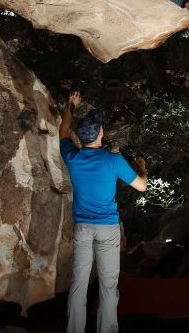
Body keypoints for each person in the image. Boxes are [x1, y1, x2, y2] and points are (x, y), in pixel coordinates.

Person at [59, 91, 148, 333]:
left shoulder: (72, 156)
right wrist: (142, 166)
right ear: (100, 134)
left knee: (78, 284)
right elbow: (142, 186)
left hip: (83, 228)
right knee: (108, 286)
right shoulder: (113, 160)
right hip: (107, 229)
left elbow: (63, 131)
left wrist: (71, 106)